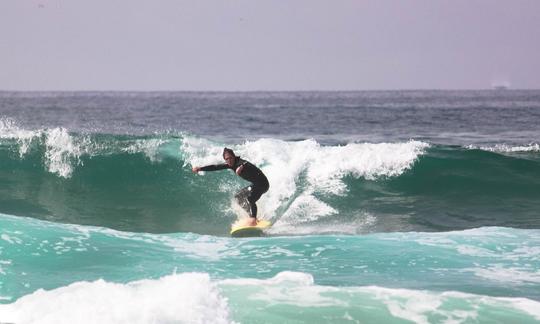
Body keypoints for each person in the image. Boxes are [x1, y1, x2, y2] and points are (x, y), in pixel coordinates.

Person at [192, 148, 269, 226]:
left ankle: (253, 219)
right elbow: (215, 167)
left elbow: (245, 163)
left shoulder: (240, 162)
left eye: (231, 158)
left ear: (234, 156)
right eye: (227, 159)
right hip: (256, 185)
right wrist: (200, 168)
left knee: (250, 199)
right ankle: (251, 216)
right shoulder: (229, 165)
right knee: (238, 197)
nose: (229, 160)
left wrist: (241, 167)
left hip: (263, 184)